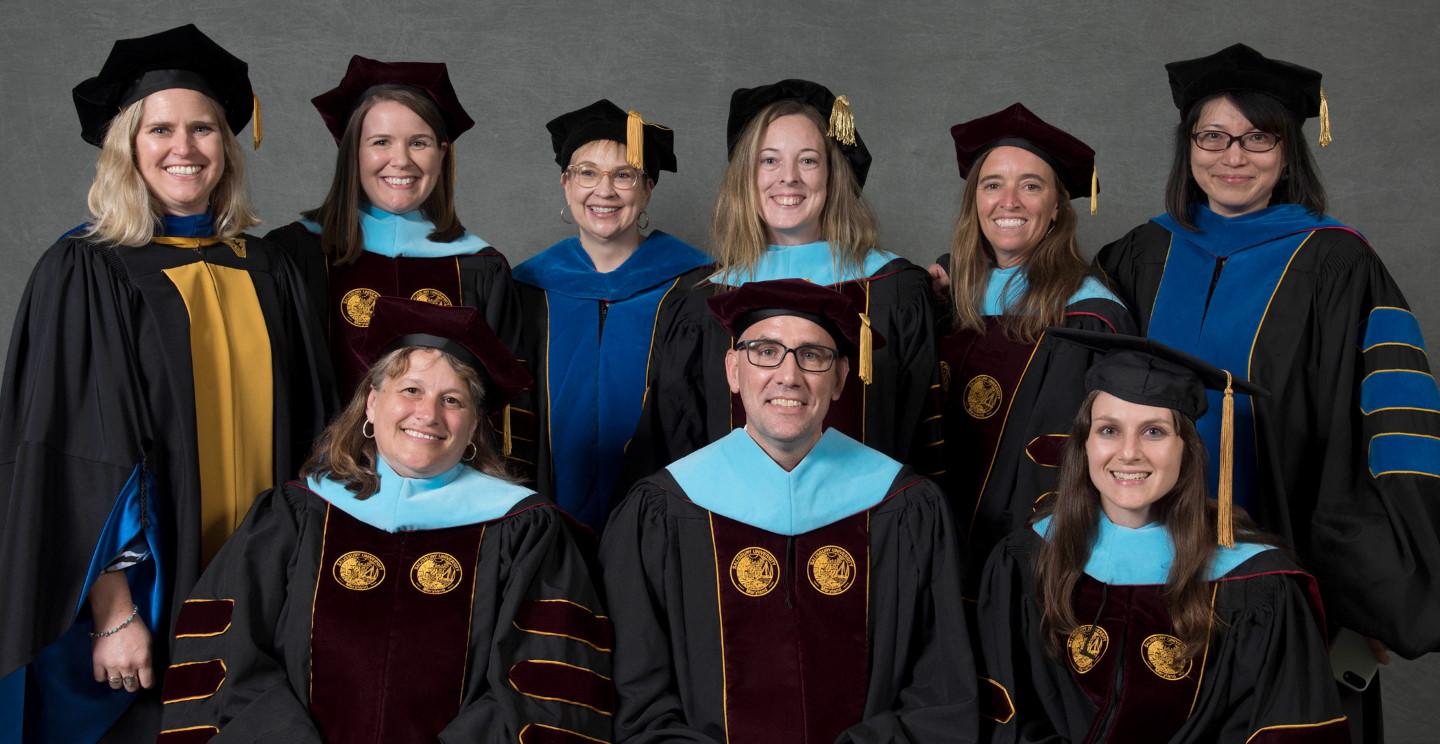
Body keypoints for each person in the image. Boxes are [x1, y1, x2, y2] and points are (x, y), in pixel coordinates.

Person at [1095, 43, 1440, 739]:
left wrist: (1370, 593)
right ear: (1187, 145)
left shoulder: (1339, 263)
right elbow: (1070, 369)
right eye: (1212, 136)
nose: (1233, 156)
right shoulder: (1139, 255)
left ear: (1288, 151)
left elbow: (1390, 430)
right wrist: (958, 282)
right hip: (1143, 563)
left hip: (1290, 566)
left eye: (1258, 137)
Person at [0, 25, 334, 741]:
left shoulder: (268, 269)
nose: (184, 147)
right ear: (127, 146)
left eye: (203, 128)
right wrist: (113, 613)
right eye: (160, 129)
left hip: (264, 593)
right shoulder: (87, 271)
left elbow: (314, 432)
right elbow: (75, 460)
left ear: (227, 145)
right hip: (147, 605)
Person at [157, 298, 612, 743]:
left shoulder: (523, 532)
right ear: (372, 404)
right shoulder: (296, 516)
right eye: (410, 389)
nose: (427, 414)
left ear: (473, 426)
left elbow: (543, 690)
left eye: (451, 399)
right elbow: (227, 660)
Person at [603, 279, 978, 743]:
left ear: (840, 378)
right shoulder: (664, 509)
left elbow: (940, 691)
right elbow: (637, 698)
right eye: (764, 351)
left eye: (812, 356)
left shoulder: (903, 507)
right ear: (733, 371)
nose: (788, 375)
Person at [977, 329, 1347, 742]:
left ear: (1187, 449)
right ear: (1084, 444)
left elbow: (1284, 729)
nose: (1129, 452)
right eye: (1108, 430)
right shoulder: (1027, 558)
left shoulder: (1257, 586)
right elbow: (1006, 717)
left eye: (1153, 431)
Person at [622, 79, 940, 491]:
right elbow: (675, 447)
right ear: (746, 178)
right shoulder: (702, 301)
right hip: (727, 539)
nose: (787, 178)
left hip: (866, 533)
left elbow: (923, 438)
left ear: (833, 175)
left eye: (808, 161)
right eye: (768, 161)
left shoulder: (894, 289)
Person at [933, 103, 1134, 594]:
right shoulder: (943, 294)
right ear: (973, 201)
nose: (1009, 201)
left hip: (1024, 553)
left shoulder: (1088, 317)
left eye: (1031, 185)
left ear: (1056, 208)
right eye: (992, 183)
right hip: (934, 536)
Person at [263, 55, 522, 402]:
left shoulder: (480, 268)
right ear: (352, 152)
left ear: (442, 154)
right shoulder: (293, 254)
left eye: (419, 142)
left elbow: (501, 407)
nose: (401, 160)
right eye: (381, 141)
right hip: (316, 457)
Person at [513, 99, 711, 532]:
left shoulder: (696, 289)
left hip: (665, 522)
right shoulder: (525, 290)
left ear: (648, 188)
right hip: (545, 525)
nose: (604, 191)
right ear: (566, 183)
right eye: (587, 172)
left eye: (624, 175)